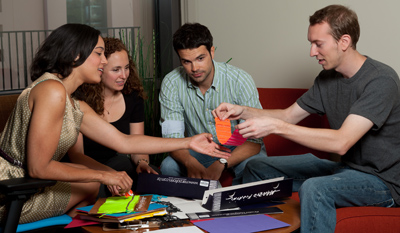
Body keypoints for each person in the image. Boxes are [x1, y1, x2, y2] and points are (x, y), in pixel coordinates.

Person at [0, 23, 230, 224]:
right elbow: (38, 168)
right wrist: (105, 175)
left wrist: (190, 141)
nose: (103, 60)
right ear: (75, 54)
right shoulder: (52, 91)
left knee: (89, 184)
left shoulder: (71, 101)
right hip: (11, 191)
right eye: (99, 53)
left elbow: (124, 142)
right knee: (90, 182)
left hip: (27, 185)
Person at [213, 4, 400, 233]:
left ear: (344, 41)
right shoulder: (326, 79)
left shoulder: (381, 80)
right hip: (346, 170)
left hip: (384, 184)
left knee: (315, 188)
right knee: (256, 166)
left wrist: (277, 127)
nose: (312, 52)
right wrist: (241, 111)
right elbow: (287, 115)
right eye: (311, 43)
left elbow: (342, 142)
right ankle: (241, 226)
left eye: (318, 44)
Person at [159, 23, 267, 185]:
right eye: (186, 62)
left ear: (212, 52)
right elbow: (172, 139)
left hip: (239, 147)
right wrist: (189, 162)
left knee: (256, 167)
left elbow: (254, 142)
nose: (194, 68)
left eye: (200, 58)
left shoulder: (239, 80)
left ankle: (234, 205)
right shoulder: (171, 83)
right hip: (198, 149)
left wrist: (222, 162)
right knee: (168, 167)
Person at [72, 37, 158, 195]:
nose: (124, 75)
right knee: (103, 182)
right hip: (87, 168)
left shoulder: (133, 97)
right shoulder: (79, 99)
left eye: (126, 68)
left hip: (117, 165)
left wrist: (142, 162)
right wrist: (108, 176)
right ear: (100, 68)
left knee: (150, 175)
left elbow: (136, 144)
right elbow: (77, 156)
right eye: (116, 70)